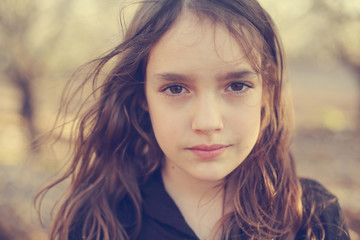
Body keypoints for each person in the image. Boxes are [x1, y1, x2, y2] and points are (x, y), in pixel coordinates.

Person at [36, 0, 351, 239]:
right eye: (175, 88)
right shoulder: (98, 221)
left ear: (267, 90)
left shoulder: (313, 217)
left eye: (237, 86)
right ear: (142, 96)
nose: (207, 122)